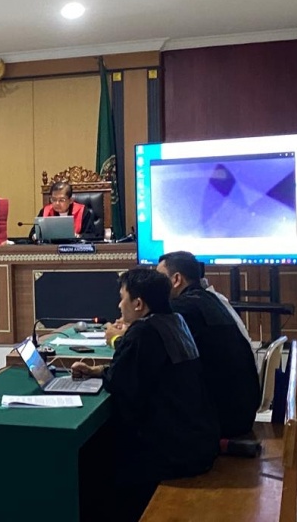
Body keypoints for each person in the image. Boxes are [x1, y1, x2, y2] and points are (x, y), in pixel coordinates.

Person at [72, 268, 219, 521]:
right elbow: (143, 372)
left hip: (170, 453)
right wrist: (98, 371)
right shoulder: (175, 321)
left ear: (138, 304)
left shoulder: (143, 332)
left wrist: (106, 374)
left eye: (123, 298)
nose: (119, 305)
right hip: (197, 440)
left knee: (92, 457)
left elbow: (121, 383)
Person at [157, 251, 261, 438]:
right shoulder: (210, 299)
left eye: (159, 278)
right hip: (240, 412)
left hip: (221, 421)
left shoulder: (183, 308)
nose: (155, 285)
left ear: (176, 279)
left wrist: (119, 335)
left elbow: (149, 341)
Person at [32, 181, 100, 239]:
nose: (57, 203)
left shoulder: (83, 211)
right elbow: (33, 233)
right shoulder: (45, 211)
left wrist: (78, 236)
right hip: (51, 248)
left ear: (70, 200)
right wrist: (35, 236)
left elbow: (92, 235)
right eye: (54, 199)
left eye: (61, 200)